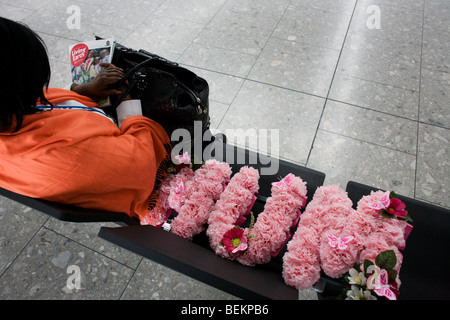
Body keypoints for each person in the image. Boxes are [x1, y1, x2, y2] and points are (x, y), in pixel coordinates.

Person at [0, 17, 171, 223]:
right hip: (152, 184)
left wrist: (80, 92)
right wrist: (127, 98)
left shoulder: (11, 112)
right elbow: (143, 166)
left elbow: (45, 105)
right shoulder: (62, 157)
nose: (42, 89)